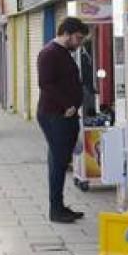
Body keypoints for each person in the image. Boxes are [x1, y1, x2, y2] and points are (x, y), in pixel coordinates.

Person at [37, 17, 89, 224]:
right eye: (77, 38)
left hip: (64, 114)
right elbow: (45, 83)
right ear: (66, 33)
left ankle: (59, 206)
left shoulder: (63, 53)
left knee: (59, 161)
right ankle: (56, 210)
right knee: (58, 163)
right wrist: (67, 104)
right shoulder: (49, 53)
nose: (79, 43)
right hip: (55, 115)